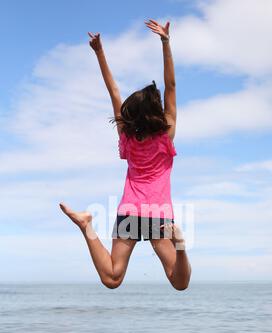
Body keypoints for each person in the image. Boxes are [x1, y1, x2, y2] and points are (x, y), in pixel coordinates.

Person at [59, 19, 191, 290]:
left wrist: (99, 53)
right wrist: (166, 43)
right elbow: (172, 87)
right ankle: (180, 246)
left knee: (112, 278)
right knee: (179, 282)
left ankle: (86, 226)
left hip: (130, 211)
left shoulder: (127, 138)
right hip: (158, 213)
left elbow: (113, 90)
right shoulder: (166, 136)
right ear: (155, 112)